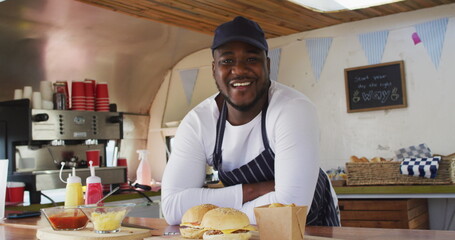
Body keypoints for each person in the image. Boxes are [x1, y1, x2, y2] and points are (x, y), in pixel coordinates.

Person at [161, 16, 340, 226]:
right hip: (241, 233)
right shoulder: (198, 122)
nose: (239, 70)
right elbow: (173, 208)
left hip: (310, 227)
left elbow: (290, 208)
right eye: (227, 61)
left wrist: (218, 216)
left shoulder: (292, 109)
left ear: (268, 65)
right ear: (214, 70)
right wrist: (255, 190)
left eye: (252, 59)